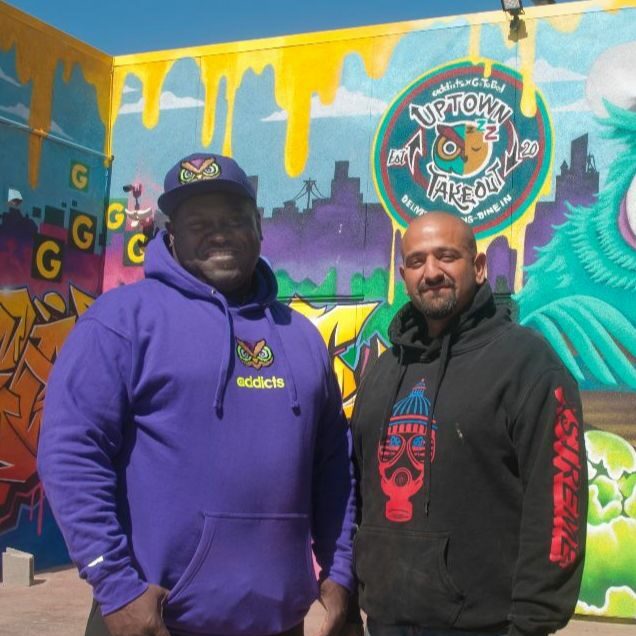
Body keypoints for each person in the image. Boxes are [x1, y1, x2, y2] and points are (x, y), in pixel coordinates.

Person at [38, 153, 357, 636]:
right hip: (152, 621)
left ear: (259, 228)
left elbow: (335, 466)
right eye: (198, 223)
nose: (220, 233)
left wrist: (339, 570)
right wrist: (113, 583)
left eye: (234, 219)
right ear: (170, 234)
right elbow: (70, 455)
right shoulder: (121, 321)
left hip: (277, 622)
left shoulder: (301, 338)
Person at [350, 212, 587, 636]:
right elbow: (359, 491)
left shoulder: (526, 364)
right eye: (418, 260)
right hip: (385, 622)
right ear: (403, 274)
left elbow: (558, 500)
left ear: (478, 268)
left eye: (447, 257)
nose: (432, 272)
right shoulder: (384, 372)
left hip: (486, 625)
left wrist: (533, 621)